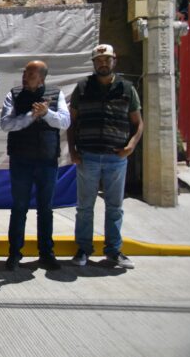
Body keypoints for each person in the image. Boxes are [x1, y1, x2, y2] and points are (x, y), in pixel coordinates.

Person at [67, 44, 143, 269]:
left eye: (107, 59)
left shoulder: (127, 88)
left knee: (114, 207)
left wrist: (131, 146)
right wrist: (72, 150)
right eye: (99, 60)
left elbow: (138, 123)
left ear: (114, 61)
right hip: (88, 156)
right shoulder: (82, 87)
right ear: (94, 63)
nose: (103, 63)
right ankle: (83, 250)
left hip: (116, 157)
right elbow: (72, 122)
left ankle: (113, 251)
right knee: (84, 207)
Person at [0, 61, 70, 271]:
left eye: (30, 74)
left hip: (47, 160)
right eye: (24, 73)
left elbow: (65, 122)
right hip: (21, 160)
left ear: (42, 78)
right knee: (19, 207)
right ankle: (14, 253)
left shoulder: (56, 94)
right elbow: (6, 123)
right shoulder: (14, 94)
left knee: (45, 209)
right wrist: (31, 116)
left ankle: (46, 253)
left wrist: (47, 114)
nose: (25, 77)